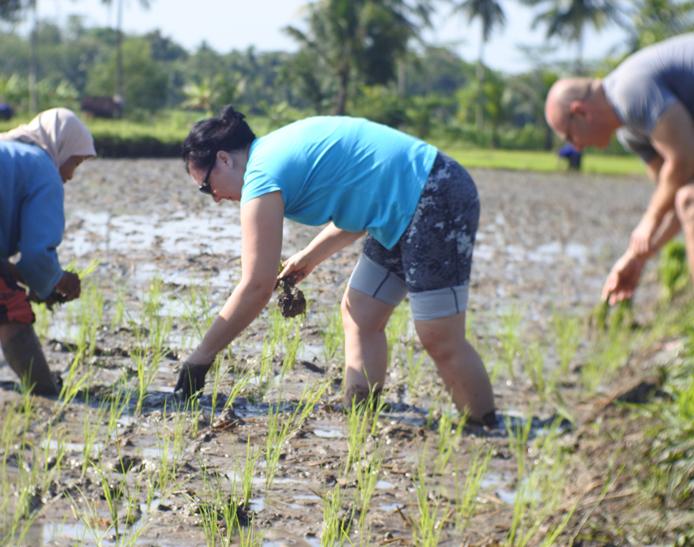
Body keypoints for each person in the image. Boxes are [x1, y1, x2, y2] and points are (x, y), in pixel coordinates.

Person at [176, 105, 497, 426]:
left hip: (434, 193)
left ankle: (484, 429)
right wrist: (310, 257)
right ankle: (360, 415)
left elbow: (256, 286)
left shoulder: (261, 175)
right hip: (402, 205)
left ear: (223, 159)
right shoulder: (272, 155)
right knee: (361, 311)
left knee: (439, 335)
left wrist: (200, 359)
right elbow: (362, 200)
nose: (215, 197)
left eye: (207, 187)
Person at [544, 34, 694, 305]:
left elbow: (683, 159)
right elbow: (672, 195)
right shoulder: (631, 134)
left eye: (569, 136)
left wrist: (648, 221)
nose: (575, 148)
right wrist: (636, 258)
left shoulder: (628, 90)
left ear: (580, 112)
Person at [0, 108, 96, 395]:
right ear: (60, 146)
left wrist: (34, 281)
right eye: (75, 163)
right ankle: (44, 390)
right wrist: (57, 280)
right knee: (10, 309)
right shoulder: (41, 167)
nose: (70, 175)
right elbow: (37, 253)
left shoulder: (10, 152)